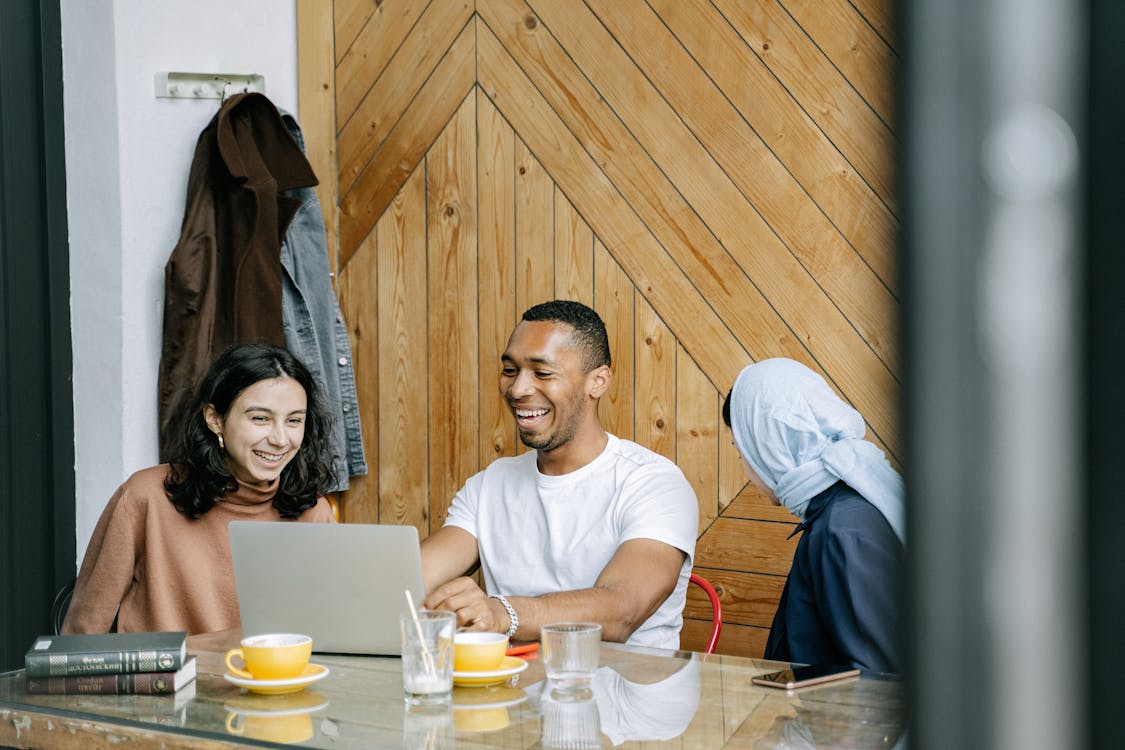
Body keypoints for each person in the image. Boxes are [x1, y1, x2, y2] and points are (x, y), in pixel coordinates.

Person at [421, 300, 698, 650]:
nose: (518, 389)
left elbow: (622, 609)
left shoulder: (654, 484)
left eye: (542, 373)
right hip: (512, 695)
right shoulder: (489, 485)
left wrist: (504, 612)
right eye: (510, 370)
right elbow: (412, 577)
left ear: (597, 381)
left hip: (625, 698)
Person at [63, 343, 338, 635]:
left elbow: (333, 632)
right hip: (163, 680)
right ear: (215, 419)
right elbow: (82, 634)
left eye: (294, 421)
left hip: (274, 680)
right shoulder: (145, 497)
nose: (281, 439)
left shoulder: (314, 512)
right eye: (260, 418)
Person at [723, 358, 904, 673]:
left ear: (770, 448)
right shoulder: (846, 510)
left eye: (743, 453)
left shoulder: (841, 532)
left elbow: (878, 684)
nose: (747, 472)